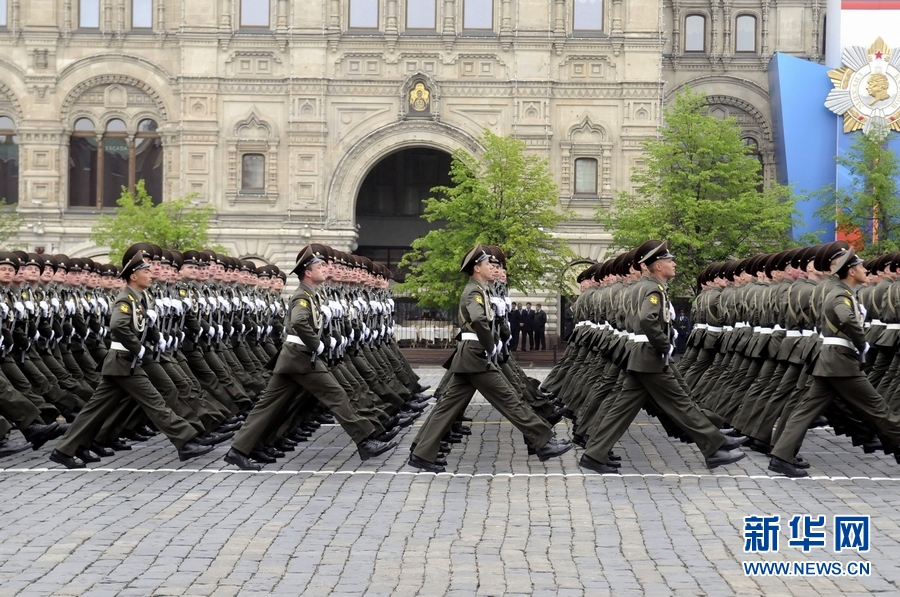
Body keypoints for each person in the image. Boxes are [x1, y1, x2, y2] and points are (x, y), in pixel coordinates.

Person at [578, 240, 747, 474]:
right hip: (649, 356)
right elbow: (648, 319)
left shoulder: (641, 286)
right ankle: (714, 446)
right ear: (657, 266)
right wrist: (664, 344)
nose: (673, 264)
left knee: (622, 408)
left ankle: (594, 455)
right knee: (680, 402)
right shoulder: (651, 288)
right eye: (669, 260)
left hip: (639, 356)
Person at [223, 244, 397, 471]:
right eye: (320, 266)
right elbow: (299, 322)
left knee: (269, 406)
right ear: (308, 271)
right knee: (336, 395)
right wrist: (318, 345)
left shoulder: (310, 294)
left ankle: (240, 450)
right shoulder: (302, 297)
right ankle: (364, 441)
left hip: (295, 357)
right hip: (302, 357)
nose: (325, 269)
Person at [407, 244, 572, 473]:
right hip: (476, 355)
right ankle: (543, 441)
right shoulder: (474, 291)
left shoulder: (481, 289)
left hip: (472, 355)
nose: (492, 268)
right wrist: (491, 344)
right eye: (487, 264)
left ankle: (421, 452)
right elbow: (479, 320)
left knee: (447, 406)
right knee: (509, 400)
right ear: (476, 268)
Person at [49, 251, 215, 469]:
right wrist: (139, 349)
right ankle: (185, 441)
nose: (151, 275)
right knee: (155, 402)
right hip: (124, 361)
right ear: (134, 276)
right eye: (146, 272)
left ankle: (65, 450)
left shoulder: (139, 298)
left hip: (121, 362)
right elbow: (118, 326)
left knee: (94, 410)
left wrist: (155, 336)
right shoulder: (126, 299)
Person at [768, 246, 900, 477]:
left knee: (806, 410)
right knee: (877, 408)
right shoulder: (840, 293)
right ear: (850, 271)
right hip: (840, 362)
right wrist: (862, 342)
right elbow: (845, 316)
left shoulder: (837, 288)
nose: (864, 269)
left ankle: (781, 456)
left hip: (830, 360)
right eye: (859, 266)